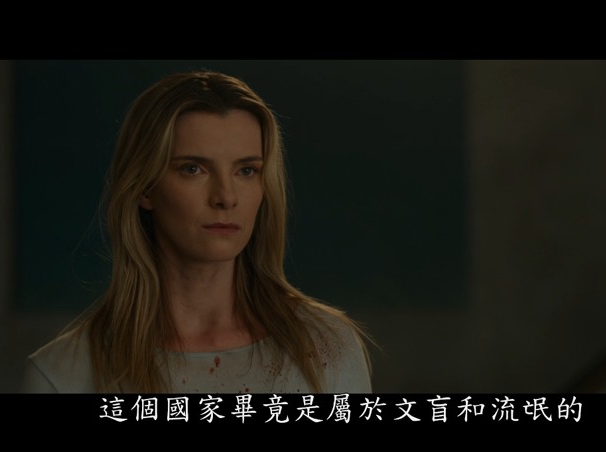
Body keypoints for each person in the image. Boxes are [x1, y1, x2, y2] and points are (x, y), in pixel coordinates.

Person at [21, 70, 374, 393]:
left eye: (246, 171)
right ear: (145, 188)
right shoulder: (63, 375)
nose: (226, 197)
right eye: (193, 169)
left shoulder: (326, 347)